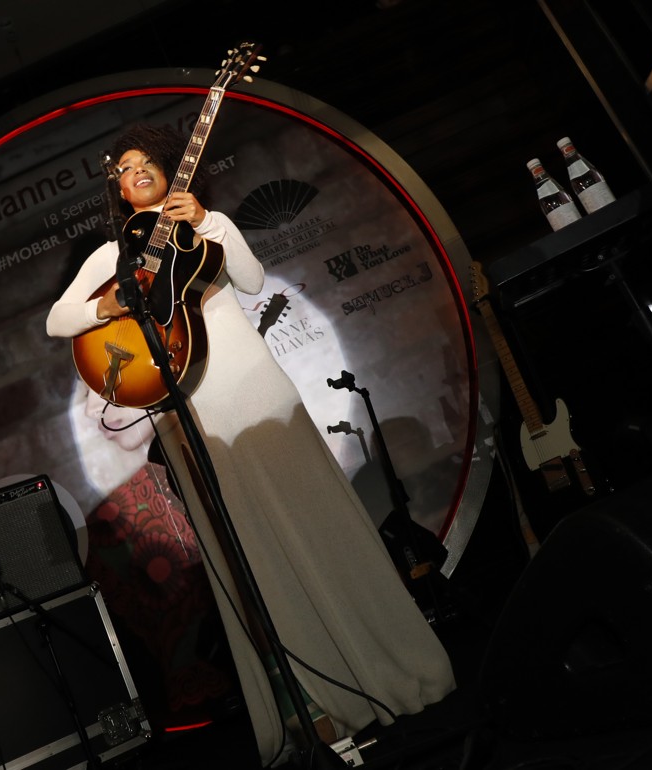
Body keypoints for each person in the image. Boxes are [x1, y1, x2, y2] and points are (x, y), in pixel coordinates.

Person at [46, 124, 455, 764]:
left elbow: (254, 281)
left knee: (320, 520)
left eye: (146, 161)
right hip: (189, 409)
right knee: (249, 553)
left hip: (257, 392)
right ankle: (311, 695)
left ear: (169, 171)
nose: (136, 171)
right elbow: (58, 319)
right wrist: (113, 305)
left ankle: (387, 659)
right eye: (124, 169)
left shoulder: (212, 225)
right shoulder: (113, 257)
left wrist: (211, 221)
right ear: (119, 192)